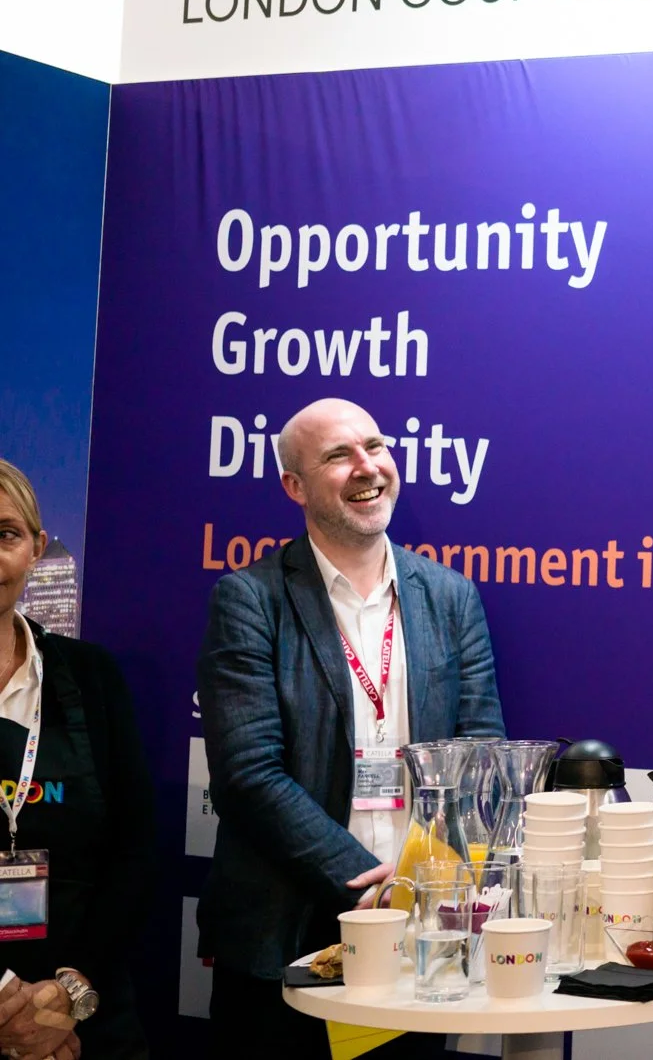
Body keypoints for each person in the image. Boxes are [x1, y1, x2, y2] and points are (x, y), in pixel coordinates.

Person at [196, 399, 504, 1059]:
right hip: (286, 934)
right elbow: (248, 775)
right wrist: (371, 880)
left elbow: (482, 759)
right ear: (295, 486)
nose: (367, 466)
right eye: (339, 455)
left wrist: (422, 886)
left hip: (420, 937)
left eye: (375, 446)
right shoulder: (251, 599)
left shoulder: (451, 597)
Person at [0, 461, 153, 1060]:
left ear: (36, 549)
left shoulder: (92, 677)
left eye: (6, 535)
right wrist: (9, 1006)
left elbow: (133, 851)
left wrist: (65, 998)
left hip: (88, 1013)